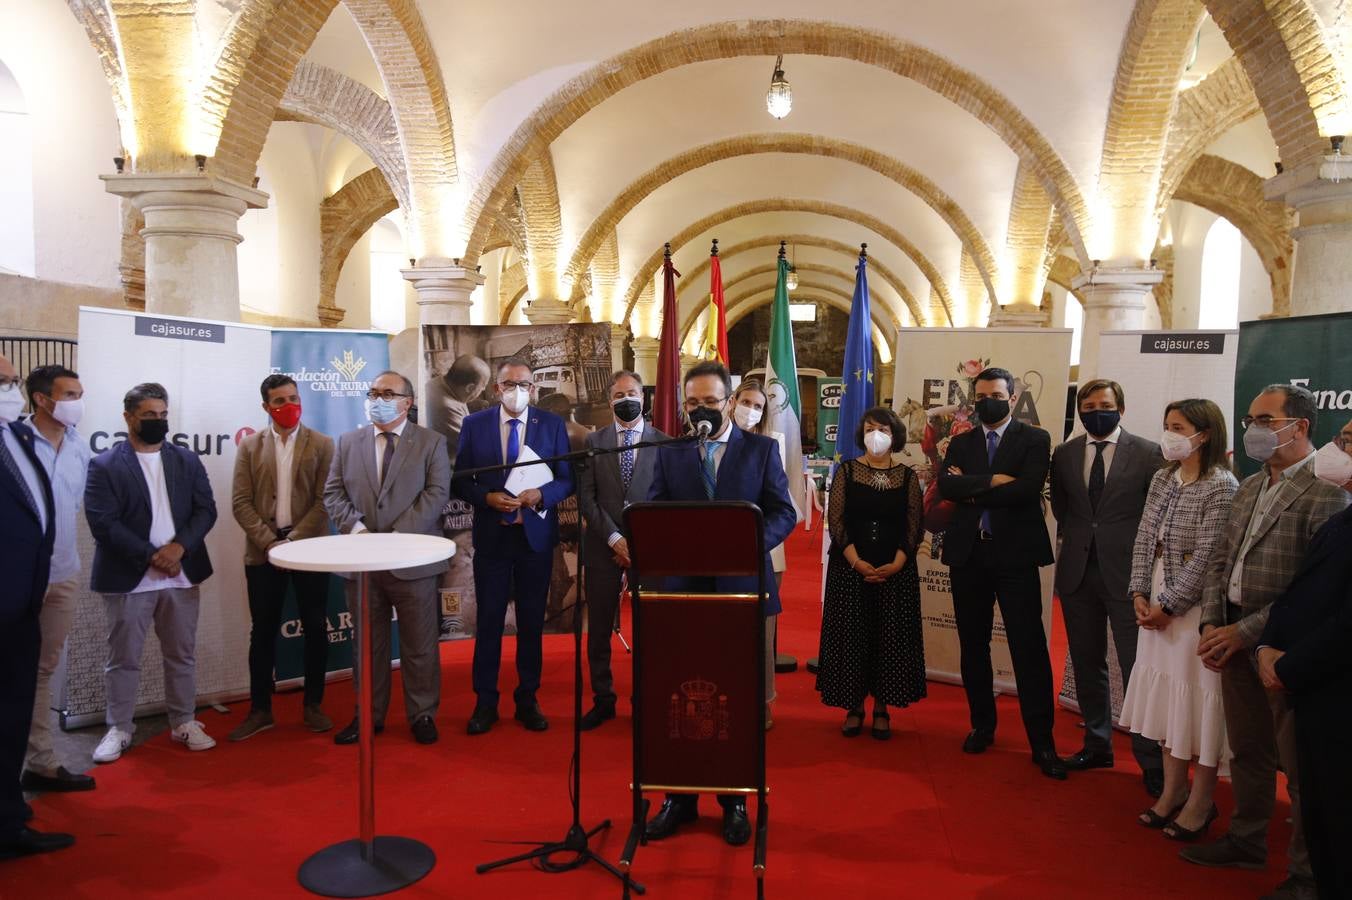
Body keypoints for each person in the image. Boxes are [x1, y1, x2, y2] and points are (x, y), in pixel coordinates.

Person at [1180, 385, 1348, 900]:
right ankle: (1247, 841)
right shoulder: (1249, 486)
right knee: (1248, 750)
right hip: (1228, 637)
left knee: (1300, 769)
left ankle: (1307, 873)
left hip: (1285, 650)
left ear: (1298, 427)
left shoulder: (1329, 493)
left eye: (1265, 418)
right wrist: (1211, 622)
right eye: (1250, 418)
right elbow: (1219, 559)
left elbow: (1313, 591)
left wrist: (1245, 632)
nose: (1252, 427)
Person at [643, 360, 797, 847]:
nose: (702, 411)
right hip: (681, 596)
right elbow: (653, 510)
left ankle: (735, 801)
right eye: (693, 403)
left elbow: (783, 512)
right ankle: (678, 799)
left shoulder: (761, 450)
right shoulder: (671, 452)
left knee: (735, 697)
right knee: (678, 693)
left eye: (711, 401)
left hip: (741, 590)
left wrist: (744, 543)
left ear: (729, 401)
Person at [937, 366, 1065, 779]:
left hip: (1015, 558)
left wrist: (972, 486)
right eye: (981, 396)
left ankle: (1042, 742)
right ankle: (982, 725)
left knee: (1028, 648)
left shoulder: (1035, 439)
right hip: (968, 555)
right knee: (973, 646)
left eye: (996, 394)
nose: (987, 401)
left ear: (1012, 399)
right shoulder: (961, 441)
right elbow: (947, 488)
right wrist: (993, 481)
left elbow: (1027, 490)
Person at [1118, 399, 1237, 841]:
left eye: (1178, 426)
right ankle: (1171, 793)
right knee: (1169, 704)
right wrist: (1139, 591)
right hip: (1156, 593)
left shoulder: (1221, 485)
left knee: (1197, 702)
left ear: (1203, 435)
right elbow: (1145, 534)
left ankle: (1202, 802)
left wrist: (1169, 605)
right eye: (1166, 425)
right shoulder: (1163, 477)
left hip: (1192, 610)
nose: (1168, 433)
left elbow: (1208, 555)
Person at [85, 383, 219, 763]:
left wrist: (179, 549)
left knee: (181, 654)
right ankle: (120, 727)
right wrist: (152, 556)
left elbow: (205, 510)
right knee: (123, 658)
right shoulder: (105, 465)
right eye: (149, 416)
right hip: (130, 577)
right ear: (128, 417)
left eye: (162, 416)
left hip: (182, 573)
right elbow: (103, 523)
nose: (158, 422)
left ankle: (184, 721)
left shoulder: (186, 460)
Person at [1050, 379, 1164, 795]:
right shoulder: (1063, 454)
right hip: (1079, 573)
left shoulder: (1149, 453)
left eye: (1105, 404)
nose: (1097, 411)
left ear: (1121, 408)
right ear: (1079, 411)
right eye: (1089, 405)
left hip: (1129, 576)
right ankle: (1097, 744)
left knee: (1138, 667)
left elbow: (1156, 513)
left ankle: (1151, 761)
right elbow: (1065, 510)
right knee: (1086, 661)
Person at [324, 371, 450, 746]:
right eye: (373, 392)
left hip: (412, 560)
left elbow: (436, 493)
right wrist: (360, 533)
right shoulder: (348, 442)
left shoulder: (431, 442)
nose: (378, 398)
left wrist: (395, 540)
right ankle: (368, 715)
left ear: (407, 402)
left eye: (387, 393)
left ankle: (422, 713)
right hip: (362, 563)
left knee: (419, 644)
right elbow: (333, 493)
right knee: (368, 646)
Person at [1255, 418, 1352, 900]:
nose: (1337, 447)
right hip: (1309, 688)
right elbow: (1299, 592)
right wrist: (1267, 645)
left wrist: (1287, 666)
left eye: (1349, 440)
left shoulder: (1331, 504)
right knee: (1320, 809)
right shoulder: (1342, 522)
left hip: (1333, 693)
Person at [452, 358, 574, 736]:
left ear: (534, 389)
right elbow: (460, 479)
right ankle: (485, 701)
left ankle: (527, 698)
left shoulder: (551, 424)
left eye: (524, 384)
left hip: (534, 538)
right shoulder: (474, 425)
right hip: (492, 536)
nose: (517, 390)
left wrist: (542, 494)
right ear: (496, 389)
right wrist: (486, 497)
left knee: (531, 622)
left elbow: (566, 479)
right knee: (488, 621)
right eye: (509, 384)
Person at [228, 374, 336, 741]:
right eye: (279, 401)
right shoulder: (250, 447)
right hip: (264, 554)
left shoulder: (323, 445)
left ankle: (313, 705)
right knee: (263, 632)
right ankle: (260, 710)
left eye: (293, 398)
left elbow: (326, 501)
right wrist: (269, 542)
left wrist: (296, 541)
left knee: (315, 626)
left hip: (311, 551)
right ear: (266, 407)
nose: (288, 406)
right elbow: (240, 502)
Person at [0, 355, 74, 860]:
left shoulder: (17, 439)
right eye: (1, 380)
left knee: (21, 699)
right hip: (7, 596)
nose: (10, 387)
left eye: (10, 379)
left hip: (34, 592)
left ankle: (16, 804)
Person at [815, 405, 926, 739]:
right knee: (853, 637)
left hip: (896, 570)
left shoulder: (907, 477)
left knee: (888, 637)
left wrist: (898, 561)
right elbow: (836, 522)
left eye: (884, 429)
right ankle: (854, 706)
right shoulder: (847, 472)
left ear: (895, 436)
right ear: (861, 434)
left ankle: (882, 707)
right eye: (870, 428)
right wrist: (855, 560)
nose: (876, 435)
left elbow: (914, 525)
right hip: (850, 568)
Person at [18, 366, 95, 793]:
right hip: (15, 577)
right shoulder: (12, 444)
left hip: (62, 574)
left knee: (43, 669)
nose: (77, 402)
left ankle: (41, 762)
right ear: (43, 399)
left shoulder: (79, 448)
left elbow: (76, 507)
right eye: (70, 394)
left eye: (80, 393)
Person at [575, 370, 666, 730]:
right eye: (617, 395)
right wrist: (615, 540)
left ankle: (643, 700)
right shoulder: (593, 442)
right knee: (598, 629)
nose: (625, 399)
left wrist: (638, 544)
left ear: (642, 397)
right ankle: (603, 699)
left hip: (650, 551)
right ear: (609, 400)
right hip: (602, 547)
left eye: (631, 393)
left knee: (649, 631)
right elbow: (586, 498)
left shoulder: (663, 442)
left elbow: (667, 499)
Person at [730, 379, 800, 727]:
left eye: (758, 406)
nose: (751, 410)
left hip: (762, 552)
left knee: (761, 635)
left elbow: (785, 506)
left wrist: (756, 540)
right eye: (746, 402)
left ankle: (763, 700)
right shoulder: (706, 444)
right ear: (732, 402)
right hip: (716, 559)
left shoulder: (771, 445)